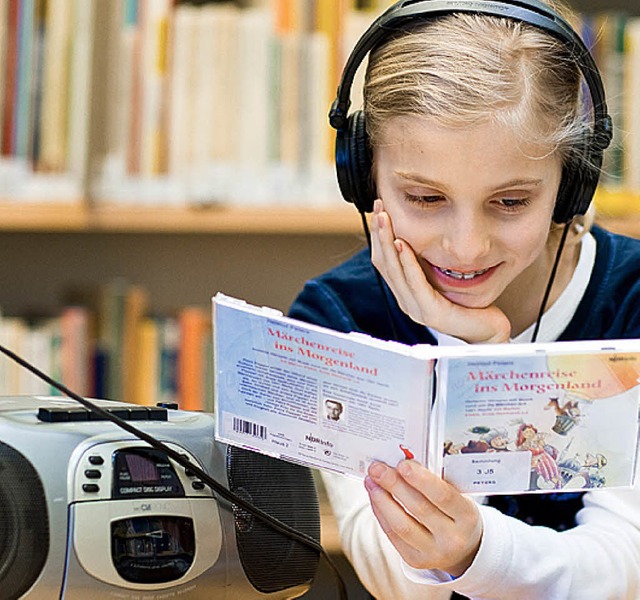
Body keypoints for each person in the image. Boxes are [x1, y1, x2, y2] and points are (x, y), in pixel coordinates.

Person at [288, 0, 640, 598]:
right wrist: (465, 350)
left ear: (571, 185)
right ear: (363, 176)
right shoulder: (337, 323)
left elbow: (625, 570)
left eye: (509, 202)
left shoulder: (629, 300)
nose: (467, 247)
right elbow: (400, 584)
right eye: (425, 198)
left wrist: (475, 552)